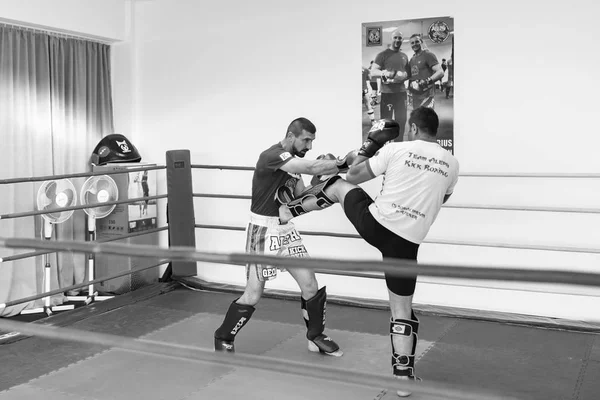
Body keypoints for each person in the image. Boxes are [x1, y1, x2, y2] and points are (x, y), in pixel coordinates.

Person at [277, 108, 459, 397]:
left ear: (412, 127)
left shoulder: (397, 149)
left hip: (376, 224)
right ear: (436, 131)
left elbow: (354, 175)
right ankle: (403, 379)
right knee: (402, 312)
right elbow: (443, 197)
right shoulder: (452, 163)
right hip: (406, 242)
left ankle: (288, 210)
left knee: (337, 185)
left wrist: (371, 144)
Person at [214, 117, 347, 357]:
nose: (310, 146)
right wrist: (340, 163)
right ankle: (223, 335)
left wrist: (321, 182)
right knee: (253, 294)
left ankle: (315, 337)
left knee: (310, 284)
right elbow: (307, 166)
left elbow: (299, 196)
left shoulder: (294, 165)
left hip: (285, 229)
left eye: (312, 141)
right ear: (291, 135)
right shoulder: (271, 155)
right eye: (306, 140)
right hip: (262, 231)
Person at [370, 29, 410, 142]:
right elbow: (373, 71)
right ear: (391, 39)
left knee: (401, 120)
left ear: (402, 40)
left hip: (401, 93)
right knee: (386, 122)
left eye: (400, 38)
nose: (397, 40)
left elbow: (407, 73)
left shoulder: (404, 56)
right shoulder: (382, 55)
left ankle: (399, 143)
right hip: (387, 94)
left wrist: (404, 76)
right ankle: (386, 145)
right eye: (395, 37)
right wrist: (384, 73)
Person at [407, 34, 445, 110]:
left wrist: (427, 81)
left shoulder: (428, 55)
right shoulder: (412, 59)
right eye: (412, 43)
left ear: (421, 42)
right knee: (417, 118)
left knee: (427, 119)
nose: (415, 44)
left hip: (427, 96)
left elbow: (440, 72)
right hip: (415, 96)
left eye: (417, 41)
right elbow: (412, 77)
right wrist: (410, 92)